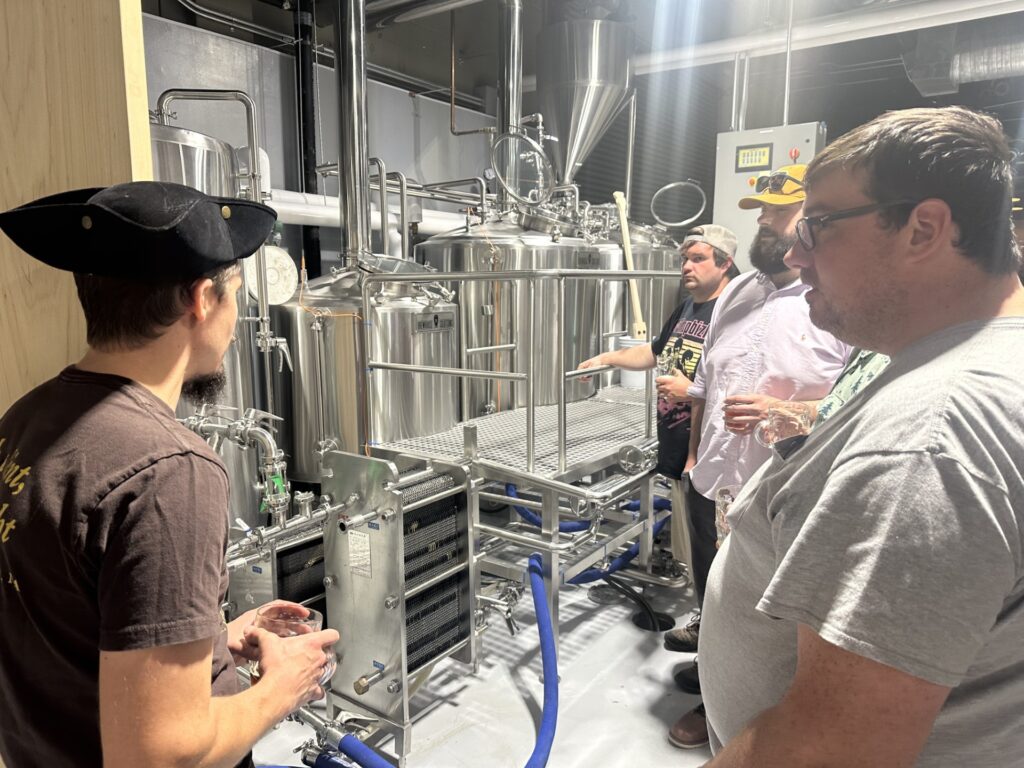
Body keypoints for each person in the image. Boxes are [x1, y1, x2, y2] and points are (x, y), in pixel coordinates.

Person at [700, 106, 1024, 767]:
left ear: (923, 228)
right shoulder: (966, 362)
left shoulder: (932, 437)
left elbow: (823, 750)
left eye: (817, 226)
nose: (795, 253)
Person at [0, 182, 340, 768]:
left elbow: (68, 626)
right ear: (202, 300)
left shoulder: (25, 420)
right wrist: (283, 686)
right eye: (236, 295)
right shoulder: (170, 471)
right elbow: (159, 756)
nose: (236, 324)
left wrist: (208, 636)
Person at [668, 164, 851, 750]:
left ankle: (760, 718)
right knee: (714, 595)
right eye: (763, 212)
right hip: (716, 481)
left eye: (781, 211)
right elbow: (704, 384)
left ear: (815, 219)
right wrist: (694, 458)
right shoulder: (739, 291)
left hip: (783, 491)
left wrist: (785, 411)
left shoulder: (837, 297)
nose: (767, 223)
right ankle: (712, 681)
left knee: (772, 619)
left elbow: (863, 398)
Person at [578, 224, 739, 577]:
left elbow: (741, 383)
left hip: (711, 458)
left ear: (725, 263)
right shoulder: (687, 308)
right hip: (678, 447)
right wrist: (605, 358)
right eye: (684, 259)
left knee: (718, 556)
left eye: (698, 258)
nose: (687, 266)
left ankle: (708, 610)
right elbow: (654, 352)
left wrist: (692, 391)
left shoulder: (733, 313)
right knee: (694, 553)